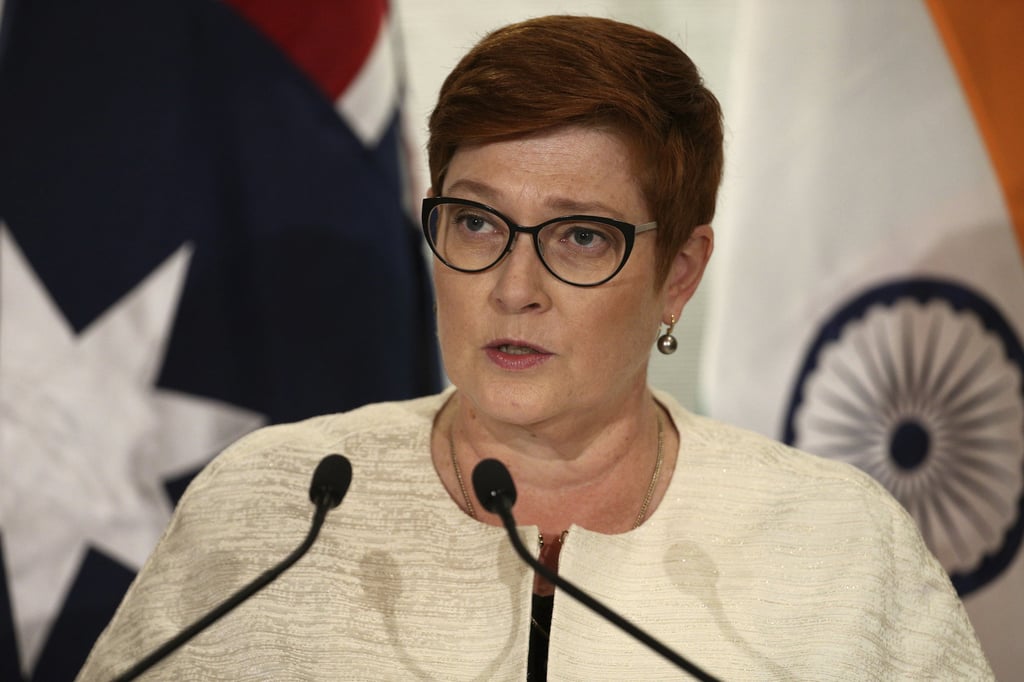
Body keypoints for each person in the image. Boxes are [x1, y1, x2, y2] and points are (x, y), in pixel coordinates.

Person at [77, 14, 992, 680]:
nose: (514, 288)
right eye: (476, 222)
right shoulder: (275, 506)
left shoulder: (838, 544)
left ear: (677, 273)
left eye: (580, 237)